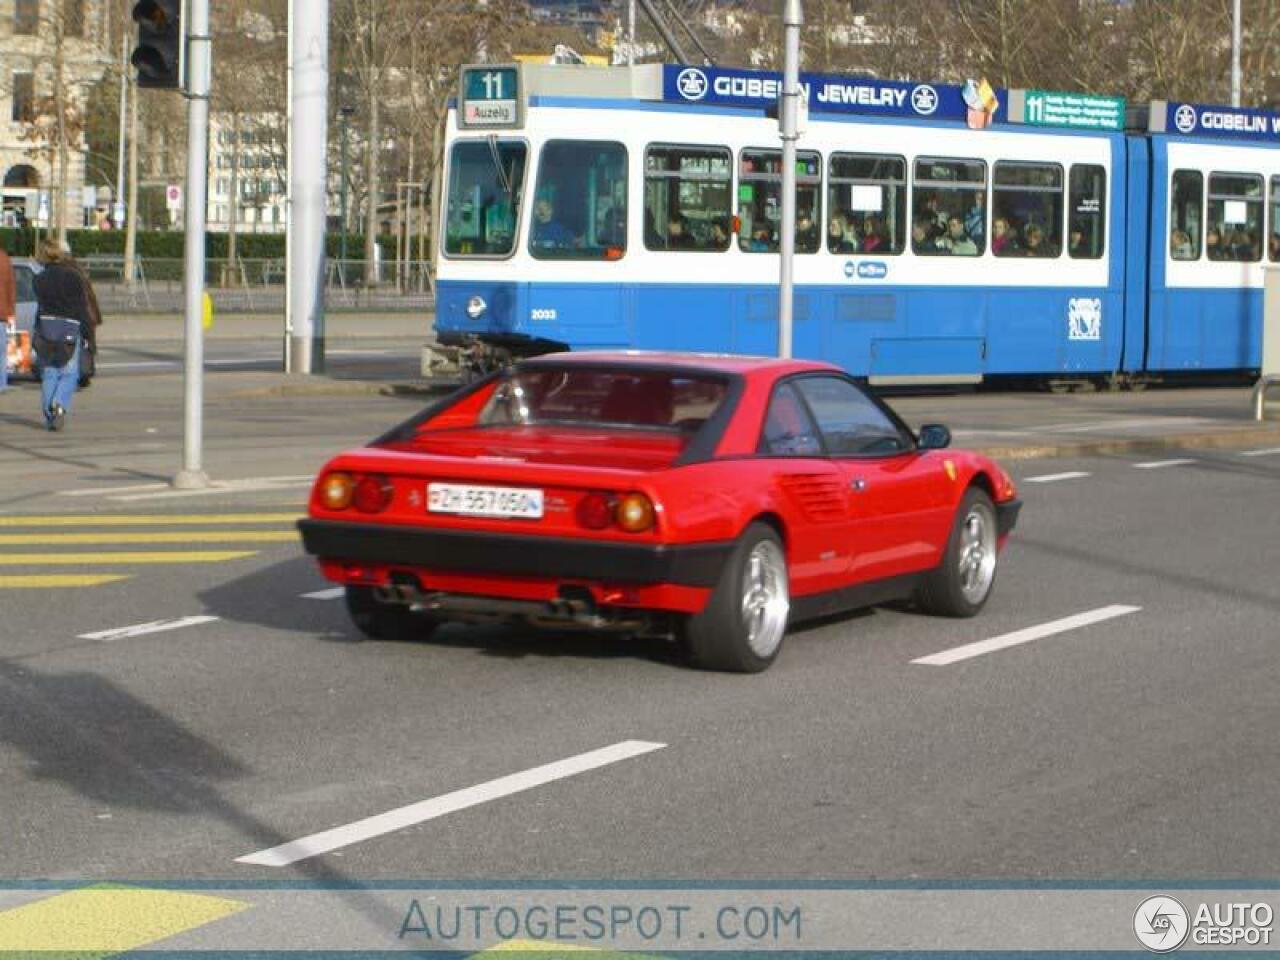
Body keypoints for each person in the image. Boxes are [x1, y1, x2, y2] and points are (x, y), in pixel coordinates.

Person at [32, 240, 95, 430]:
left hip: (47, 327)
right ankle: (59, 404)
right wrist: (87, 333)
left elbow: (41, 305)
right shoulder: (73, 277)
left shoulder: (39, 279)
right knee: (69, 372)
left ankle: (49, 413)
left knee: (50, 371)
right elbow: (81, 307)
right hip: (69, 327)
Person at [0, 241, 15, 394]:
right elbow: (11, 287)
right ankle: (2, 383)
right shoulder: (4, 258)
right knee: (1, 352)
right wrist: (11, 311)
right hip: (1, 313)